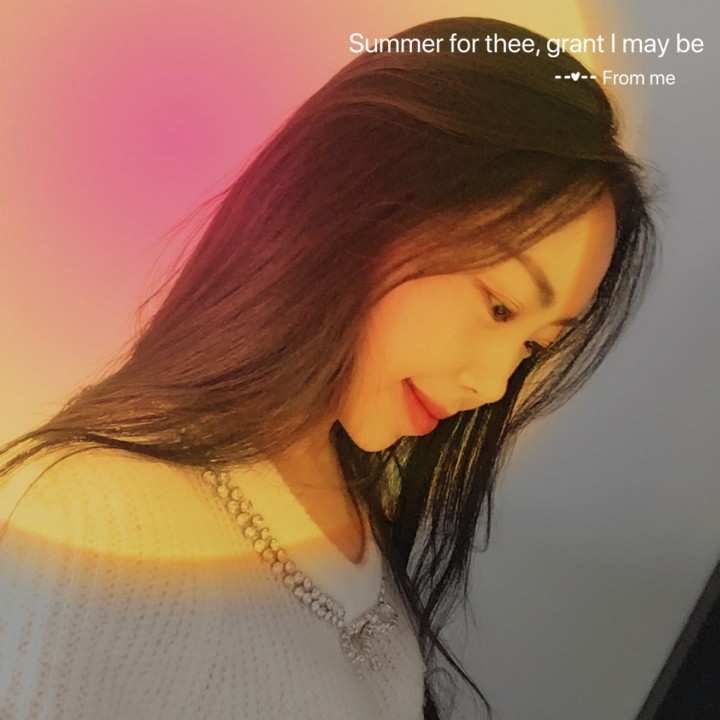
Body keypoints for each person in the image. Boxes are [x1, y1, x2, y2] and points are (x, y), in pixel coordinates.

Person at [0, 16, 657, 720]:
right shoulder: (93, 520)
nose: (493, 385)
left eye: (533, 347)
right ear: (364, 201)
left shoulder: (347, 494)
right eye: (500, 307)